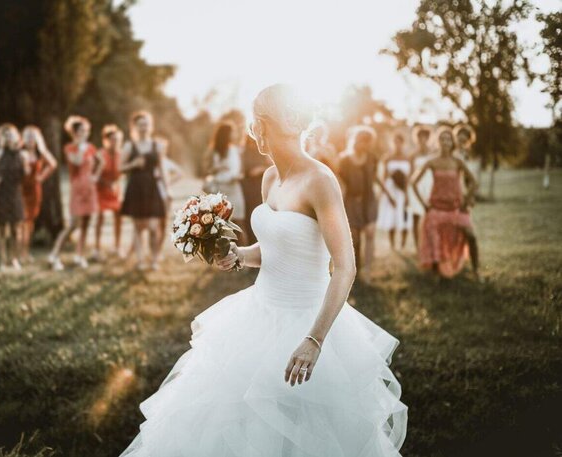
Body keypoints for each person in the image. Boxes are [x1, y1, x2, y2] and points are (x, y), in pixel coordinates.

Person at [119, 84, 406, 457]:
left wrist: (314, 339)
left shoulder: (321, 181)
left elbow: (345, 268)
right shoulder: (270, 178)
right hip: (256, 316)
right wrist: (239, 254)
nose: (252, 130)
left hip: (308, 322)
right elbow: (273, 249)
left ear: (272, 124)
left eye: (257, 121)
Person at [413, 126, 481, 280]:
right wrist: (424, 204)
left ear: (452, 142)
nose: (445, 142)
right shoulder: (432, 162)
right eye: (442, 139)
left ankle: (476, 271)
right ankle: (436, 273)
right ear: (438, 142)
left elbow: (474, 182)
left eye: (448, 139)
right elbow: (413, 183)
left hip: (457, 208)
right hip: (437, 208)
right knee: (434, 236)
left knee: (471, 236)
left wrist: (466, 200)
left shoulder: (457, 161)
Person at [337, 126, 395, 281]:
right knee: (354, 238)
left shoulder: (372, 158)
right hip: (351, 202)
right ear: (357, 140)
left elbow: (376, 178)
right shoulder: (344, 159)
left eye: (370, 142)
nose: (368, 145)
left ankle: (367, 271)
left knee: (370, 234)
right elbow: (340, 182)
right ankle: (354, 269)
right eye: (366, 141)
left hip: (369, 201)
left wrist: (388, 195)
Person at [48, 116, 102, 271]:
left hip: (90, 187)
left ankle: (79, 255)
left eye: (85, 131)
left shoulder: (90, 147)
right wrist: (80, 147)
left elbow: (101, 161)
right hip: (77, 188)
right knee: (74, 224)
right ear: (74, 132)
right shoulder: (70, 148)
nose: (83, 134)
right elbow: (77, 162)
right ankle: (54, 254)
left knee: (86, 223)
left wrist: (96, 175)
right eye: (80, 131)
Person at [120, 111, 169, 271]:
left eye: (146, 124)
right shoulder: (129, 146)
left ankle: (154, 259)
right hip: (135, 188)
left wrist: (167, 190)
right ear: (135, 127)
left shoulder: (157, 146)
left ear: (150, 126)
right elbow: (120, 168)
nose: (143, 127)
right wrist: (133, 164)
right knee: (138, 227)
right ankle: (141, 260)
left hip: (152, 188)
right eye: (140, 125)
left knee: (154, 227)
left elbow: (161, 169)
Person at [0, 123, 31, 272]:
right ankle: (2, 260)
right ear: (1, 138)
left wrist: (26, 166)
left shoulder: (22, 155)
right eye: (5, 135)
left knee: (15, 229)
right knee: (1, 229)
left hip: (15, 194)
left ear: (16, 136)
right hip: (1, 194)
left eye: (11, 134)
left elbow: (27, 173)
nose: (8, 137)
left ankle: (14, 259)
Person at [205, 122, 247, 245]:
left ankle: (243, 255)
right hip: (219, 190)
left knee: (239, 223)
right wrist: (219, 169)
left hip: (232, 188)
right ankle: (223, 255)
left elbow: (235, 170)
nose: (234, 135)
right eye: (232, 132)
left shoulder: (234, 150)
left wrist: (222, 171)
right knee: (220, 224)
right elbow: (209, 170)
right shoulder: (214, 150)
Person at [19, 126, 57, 263]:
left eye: (33, 137)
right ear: (23, 138)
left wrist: (41, 177)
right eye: (28, 136)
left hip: (35, 190)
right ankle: (17, 252)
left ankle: (25, 252)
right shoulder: (20, 152)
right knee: (20, 222)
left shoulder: (40, 154)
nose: (30, 140)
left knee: (30, 222)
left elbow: (53, 163)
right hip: (21, 190)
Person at [377, 133, 413, 250]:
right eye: (395, 142)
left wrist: (407, 194)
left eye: (400, 142)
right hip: (391, 189)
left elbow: (409, 177)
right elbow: (383, 178)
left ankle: (403, 243)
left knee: (404, 216)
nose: (397, 145)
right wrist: (387, 195)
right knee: (391, 217)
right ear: (393, 143)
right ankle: (392, 244)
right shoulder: (388, 158)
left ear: (403, 144)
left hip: (404, 190)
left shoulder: (408, 158)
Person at [94, 124, 123, 260]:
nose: (115, 141)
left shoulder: (121, 154)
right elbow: (95, 174)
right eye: (112, 139)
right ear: (106, 140)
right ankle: (97, 248)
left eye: (117, 139)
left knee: (119, 217)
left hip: (115, 190)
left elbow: (122, 172)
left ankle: (117, 247)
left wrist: (115, 183)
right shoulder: (100, 154)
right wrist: (107, 183)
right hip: (101, 190)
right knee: (100, 217)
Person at [407, 125, 435, 252]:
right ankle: (418, 246)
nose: (422, 139)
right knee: (416, 216)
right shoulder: (413, 155)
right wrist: (408, 193)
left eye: (425, 137)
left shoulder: (433, 154)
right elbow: (410, 174)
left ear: (428, 138)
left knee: (430, 216)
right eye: (420, 137)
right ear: (416, 139)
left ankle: (430, 244)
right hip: (416, 187)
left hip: (430, 185)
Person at [241, 135, 272, 244]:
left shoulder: (263, 151)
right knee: (249, 215)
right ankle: (251, 242)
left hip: (259, 185)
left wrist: (260, 169)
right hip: (247, 186)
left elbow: (271, 166)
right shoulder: (244, 151)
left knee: (260, 211)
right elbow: (242, 170)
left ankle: (261, 241)